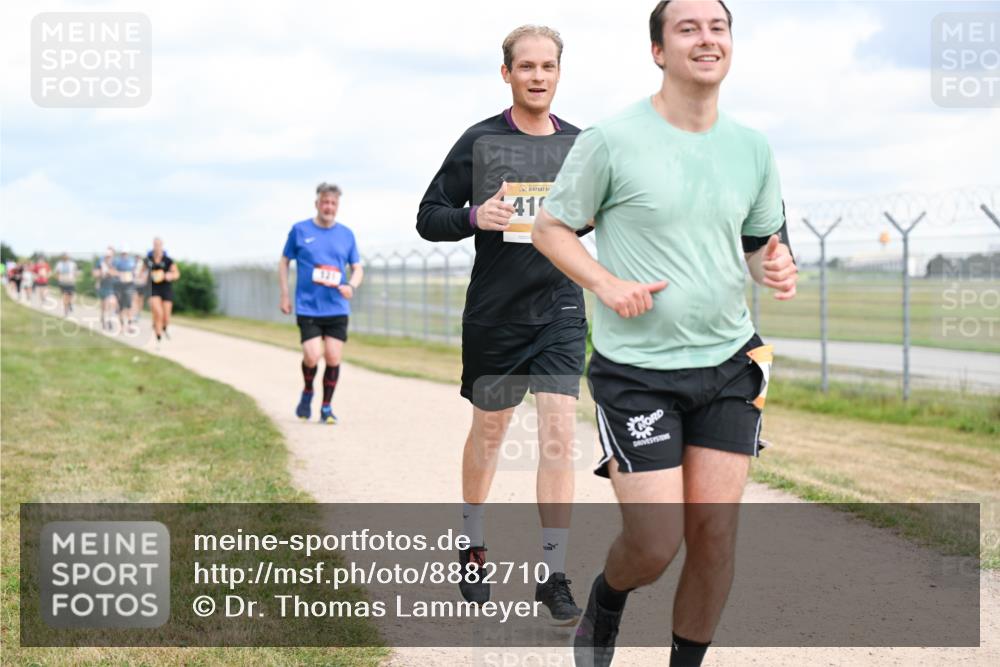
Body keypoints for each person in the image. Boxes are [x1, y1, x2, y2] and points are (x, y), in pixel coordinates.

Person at [531, 2, 798, 665]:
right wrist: (604, 282)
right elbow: (550, 228)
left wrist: (777, 264)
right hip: (637, 370)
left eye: (718, 28)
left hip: (729, 365)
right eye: (688, 28)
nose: (707, 38)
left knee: (714, 536)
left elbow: (762, 240)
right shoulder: (612, 139)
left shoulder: (752, 148)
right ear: (658, 51)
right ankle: (607, 599)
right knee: (654, 543)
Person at [416, 25, 591, 625]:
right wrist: (474, 215)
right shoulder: (481, 141)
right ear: (507, 74)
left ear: (559, 73)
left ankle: (554, 573)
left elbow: (600, 218)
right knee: (490, 435)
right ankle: (471, 543)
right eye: (527, 67)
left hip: (561, 310)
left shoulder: (581, 145)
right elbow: (428, 217)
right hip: (496, 313)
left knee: (560, 434)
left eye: (548, 66)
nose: (538, 76)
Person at [280, 183, 364, 425]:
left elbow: (357, 268)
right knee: (312, 355)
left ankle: (326, 406)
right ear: (317, 203)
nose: (329, 207)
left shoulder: (346, 235)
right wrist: (285, 294)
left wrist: (351, 286)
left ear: (337, 207)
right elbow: (284, 261)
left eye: (333, 203)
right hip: (308, 307)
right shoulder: (299, 230)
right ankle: (308, 390)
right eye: (325, 202)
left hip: (337, 307)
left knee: (333, 357)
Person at [145, 238, 180, 347]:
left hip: (166, 289)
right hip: (153, 289)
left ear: (162, 246)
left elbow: (177, 274)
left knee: (166, 317)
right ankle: (158, 338)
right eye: (155, 244)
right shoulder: (148, 260)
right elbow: (141, 272)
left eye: (159, 245)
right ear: (153, 246)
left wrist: (171, 276)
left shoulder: (168, 260)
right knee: (158, 313)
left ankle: (163, 327)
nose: (157, 247)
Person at [111, 247, 139, 332]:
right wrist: (120, 274)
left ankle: (130, 325)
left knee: (129, 306)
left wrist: (133, 276)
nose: (124, 255)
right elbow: (112, 271)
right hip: (119, 286)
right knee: (121, 307)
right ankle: (122, 326)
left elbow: (135, 273)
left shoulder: (131, 262)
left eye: (125, 253)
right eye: (123, 253)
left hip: (129, 286)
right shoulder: (117, 261)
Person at [94, 247, 117, 331]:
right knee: (104, 304)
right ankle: (103, 317)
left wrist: (109, 272)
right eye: (107, 256)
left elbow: (116, 273)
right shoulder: (101, 262)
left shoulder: (115, 263)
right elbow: (95, 273)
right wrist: (100, 274)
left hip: (112, 285)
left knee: (111, 302)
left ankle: (109, 320)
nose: (108, 257)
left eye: (110, 256)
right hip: (103, 285)